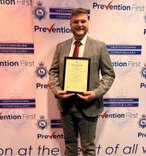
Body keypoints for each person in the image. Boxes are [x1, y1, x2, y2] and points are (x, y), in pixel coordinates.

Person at [49, 8, 115, 156]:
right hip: (66, 106)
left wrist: (95, 93)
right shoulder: (61, 47)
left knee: (89, 149)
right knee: (70, 147)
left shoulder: (99, 46)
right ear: (70, 24)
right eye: (75, 22)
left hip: (89, 106)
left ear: (88, 23)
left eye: (83, 21)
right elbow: (53, 72)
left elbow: (109, 74)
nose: (79, 25)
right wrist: (57, 90)